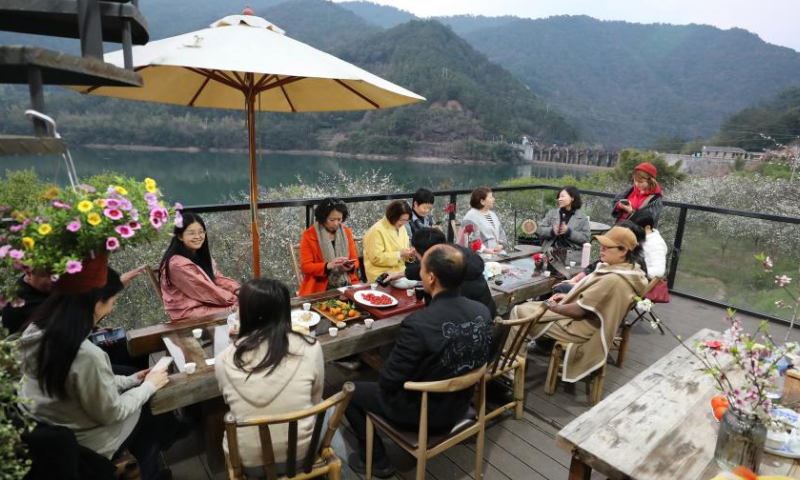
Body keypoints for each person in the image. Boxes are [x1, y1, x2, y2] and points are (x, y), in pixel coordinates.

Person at [345, 244, 493, 477]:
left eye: (421, 269)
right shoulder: (482, 311)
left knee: (351, 393)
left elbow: (389, 381)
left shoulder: (419, 323)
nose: (419, 273)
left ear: (431, 277)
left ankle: (378, 462)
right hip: (462, 403)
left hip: (427, 413)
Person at [16, 268, 172, 480]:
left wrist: (131, 381)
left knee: (137, 386)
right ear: (98, 302)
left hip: (48, 424)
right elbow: (112, 413)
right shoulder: (85, 354)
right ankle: (151, 472)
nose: (112, 306)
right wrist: (149, 385)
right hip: (82, 443)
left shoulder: (35, 331)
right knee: (148, 407)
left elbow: (81, 384)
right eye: (113, 300)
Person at [215, 279, 346, 474]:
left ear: (245, 314)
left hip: (249, 462)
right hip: (303, 455)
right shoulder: (310, 347)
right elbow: (315, 399)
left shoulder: (224, 359)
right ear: (285, 310)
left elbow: (229, 401)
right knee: (327, 409)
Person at [515, 227, 647, 382]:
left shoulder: (613, 279)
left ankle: (513, 370)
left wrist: (552, 306)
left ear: (623, 251)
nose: (601, 249)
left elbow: (579, 311)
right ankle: (526, 354)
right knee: (531, 308)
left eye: (607, 247)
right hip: (592, 322)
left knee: (518, 312)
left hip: (581, 328)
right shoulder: (630, 271)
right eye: (602, 245)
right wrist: (566, 296)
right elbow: (595, 301)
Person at [385, 227, 497, 318]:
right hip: (487, 315)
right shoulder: (453, 252)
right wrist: (401, 273)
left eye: (418, 256)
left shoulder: (453, 278)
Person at [2, 266, 147, 335]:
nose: (58, 281)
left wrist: (94, 330)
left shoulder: (45, 290)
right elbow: (66, 328)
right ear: (28, 272)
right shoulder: (20, 303)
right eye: (51, 277)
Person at [159, 211, 240, 321]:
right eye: (191, 233)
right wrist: (236, 300)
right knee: (244, 310)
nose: (198, 236)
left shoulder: (199, 254)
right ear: (180, 236)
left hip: (209, 305)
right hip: (190, 313)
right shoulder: (177, 264)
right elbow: (205, 291)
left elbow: (217, 278)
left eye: (201, 232)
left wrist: (239, 290)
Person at [553, 220, 647, 294]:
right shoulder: (621, 261)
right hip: (594, 291)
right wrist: (574, 280)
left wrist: (577, 284)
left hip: (595, 297)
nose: (602, 248)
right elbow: (591, 269)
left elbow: (599, 288)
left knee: (561, 288)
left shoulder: (623, 269)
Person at [298, 198, 360, 296]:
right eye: (332, 220)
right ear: (323, 218)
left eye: (339, 219)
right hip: (318, 286)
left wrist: (349, 266)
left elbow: (355, 260)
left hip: (347, 282)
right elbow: (306, 267)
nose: (336, 223)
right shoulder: (309, 235)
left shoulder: (346, 232)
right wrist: (328, 266)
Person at [536, 186, 591, 265]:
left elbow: (585, 238)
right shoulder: (552, 213)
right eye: (559, 197)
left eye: (563, 196)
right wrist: (552, 231)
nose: (559, 199)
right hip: (550, 254)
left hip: (571, 257)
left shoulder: (582, 218)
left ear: (572, 198)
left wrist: (568, 232)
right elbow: (540, 230)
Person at [363, 200, 415, 282]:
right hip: (381, 275)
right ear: (393, 216)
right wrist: (399, 254)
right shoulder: (376, 230)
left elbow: (404, 251)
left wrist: (411, 254)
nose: (403, 223)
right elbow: (376, 258)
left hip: (399, 273)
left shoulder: (402, 228)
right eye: (401, 220)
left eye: (406, 220)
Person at [612, 162, 663, 227]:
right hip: (620, 228)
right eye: (635, 181)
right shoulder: (631, 190)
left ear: (650, 181)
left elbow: (649, 219)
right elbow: (615, 202)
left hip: (638, 234)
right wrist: (620, 205)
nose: (636, 184)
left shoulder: (655, 198)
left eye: (640, 182)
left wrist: (631, 211)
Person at [460, 187, 507, 254]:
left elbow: (501, 232)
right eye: (490, 197)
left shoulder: (492, 214)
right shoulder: (470, 217)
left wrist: (501, 245)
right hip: (481, 255)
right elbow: (471, 240)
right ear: (482, 201)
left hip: (497, 252)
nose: (494, 199)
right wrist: (486, 250)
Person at [632, 211, 668, 278]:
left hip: (643, 279)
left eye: (637, 229)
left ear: (648, 227)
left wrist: (633, 271)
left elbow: (659, 271)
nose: (634, 231)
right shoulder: (642, 238)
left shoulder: (656, 244)